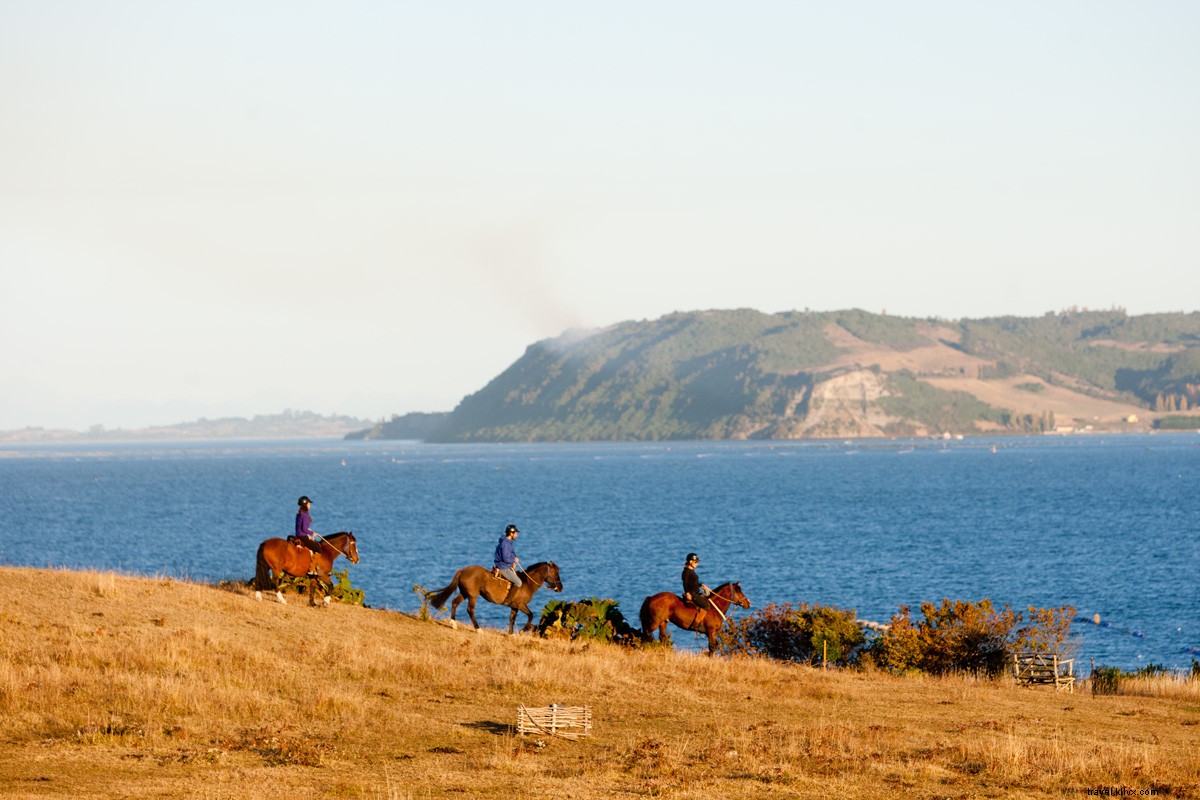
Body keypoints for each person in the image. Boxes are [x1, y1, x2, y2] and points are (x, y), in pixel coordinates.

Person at [294, 496, 324, 576]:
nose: (310, 504)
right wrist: (313, 533)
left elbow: (300, 527)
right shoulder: (305, 515)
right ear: (305, 504)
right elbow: (304, 528)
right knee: (318, 549)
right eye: (309, 503)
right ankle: (312, 569)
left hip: (298, 535)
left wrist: (309, 533)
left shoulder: (299, 514)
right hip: (303, 536)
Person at [492, 523, 522, 603]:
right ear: (511, 533)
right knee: (519, 582)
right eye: (516, 533)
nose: (516, 535)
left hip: (506, 565)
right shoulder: (506, 544)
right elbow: (506, 558)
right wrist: (514, 560)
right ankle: (508, 601)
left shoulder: (507, 542)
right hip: (503, 567)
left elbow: (510, 554)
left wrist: (513, 560)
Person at [681, 552, 712, 629]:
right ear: (690, 562)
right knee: (706, 606)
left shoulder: (691, 570)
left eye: (697, 562)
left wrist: (701, 585)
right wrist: (687, 593)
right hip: (692, 594)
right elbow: (685, 583)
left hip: (696, 592)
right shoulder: (686, 572)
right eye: (696, 562)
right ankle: (696, 624)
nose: (697, 563)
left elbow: (693, 583)